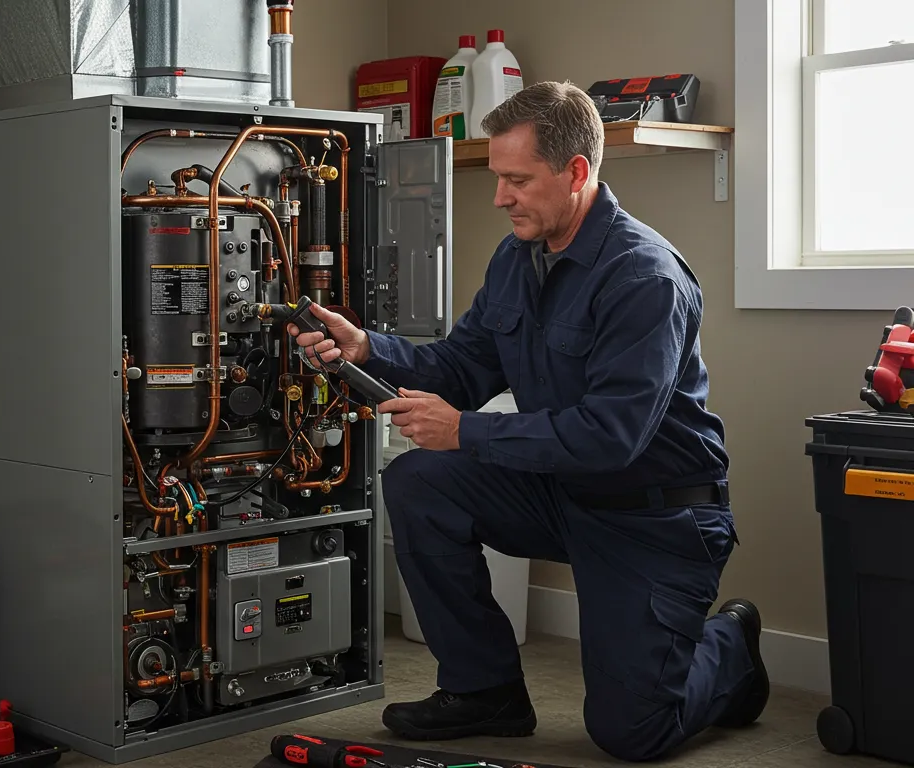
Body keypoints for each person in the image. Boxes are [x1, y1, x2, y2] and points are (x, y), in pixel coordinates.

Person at [287, 81, 768, 762]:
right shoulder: (519, 258)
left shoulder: (644, 278)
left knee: (633, 732)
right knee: (421, 481)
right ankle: (486, 692)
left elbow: (610, 436)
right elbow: (463, 367)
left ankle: (732, 647)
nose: (500, 196)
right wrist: (368, 347)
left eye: (516, 179)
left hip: (653, 518)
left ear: (575, 173)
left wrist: (467, 431)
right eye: (498, 178)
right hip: (561, 492)